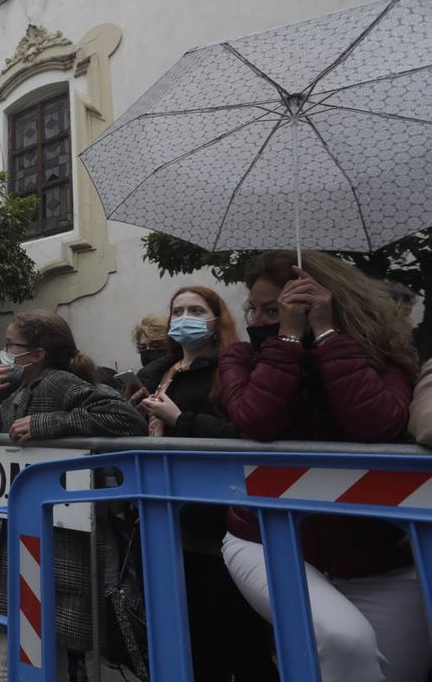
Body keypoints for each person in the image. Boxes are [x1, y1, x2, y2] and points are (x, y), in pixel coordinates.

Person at [219, 250, 430, 682]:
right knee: (343, 639)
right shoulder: (241, 357)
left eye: (272, 309)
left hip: (375, 552)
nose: (256, 320)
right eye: (253, 308)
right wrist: (290, 339)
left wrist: (328, 335)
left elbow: (379, 424)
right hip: (266, 536)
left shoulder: (382, 353)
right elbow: (258, 420)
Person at [0, 310, 145, 681]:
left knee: (27, 651)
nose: (4, 351)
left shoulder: (58, 383)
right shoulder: (18, 386)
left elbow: (125, 418)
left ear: (37, 353)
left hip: (54, 544)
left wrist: (50, 424)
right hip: (19, 534)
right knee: (17, 646)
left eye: (11, 344)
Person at [133, 287, 279, 681]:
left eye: (196, 309)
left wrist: (180, 419)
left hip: (216, 523)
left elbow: (242, 431)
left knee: (239, 638)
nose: (184, 316)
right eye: (177, 309)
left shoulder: (230, 369)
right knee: (192, 641)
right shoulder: (163, 371)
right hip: (168, 520)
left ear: (217, 320)